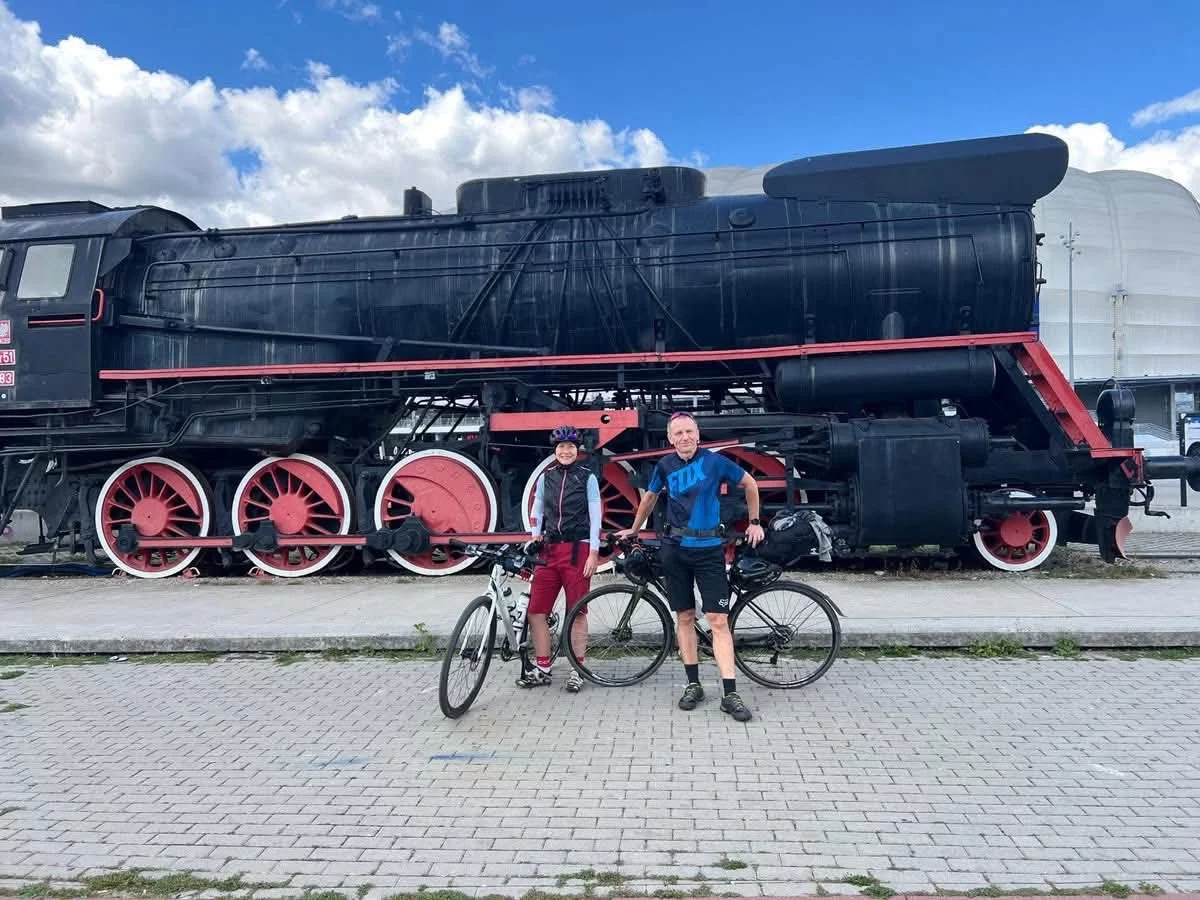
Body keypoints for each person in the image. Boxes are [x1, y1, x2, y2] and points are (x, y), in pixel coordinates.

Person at [618, 411, 764, 722]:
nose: (684, 437)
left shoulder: (715, 462)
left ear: (697, 434)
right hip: (675, 550)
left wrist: (754, 521)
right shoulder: (664, 465)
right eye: (678, 433)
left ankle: (730, 693)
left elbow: (750, 483)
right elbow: (650, 497)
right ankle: (693, 684)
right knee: (684, 617)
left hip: (709, 549)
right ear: (670, 438)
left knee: (718, 620)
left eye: (689, 431)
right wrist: (634, 528)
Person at [521, 424, 602, 692]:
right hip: (549, 550)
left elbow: (596, 517)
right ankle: (543, 666)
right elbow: (537, 509)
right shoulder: (546, 478)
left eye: (570, 447)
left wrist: (594, 552)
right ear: (555, 450)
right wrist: (535, 535)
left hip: (578, 550)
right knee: (536, 611)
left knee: (577, 612)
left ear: (577, 450)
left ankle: (578, 669)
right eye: (561, 447)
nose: (566, 451)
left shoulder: (587, 478)